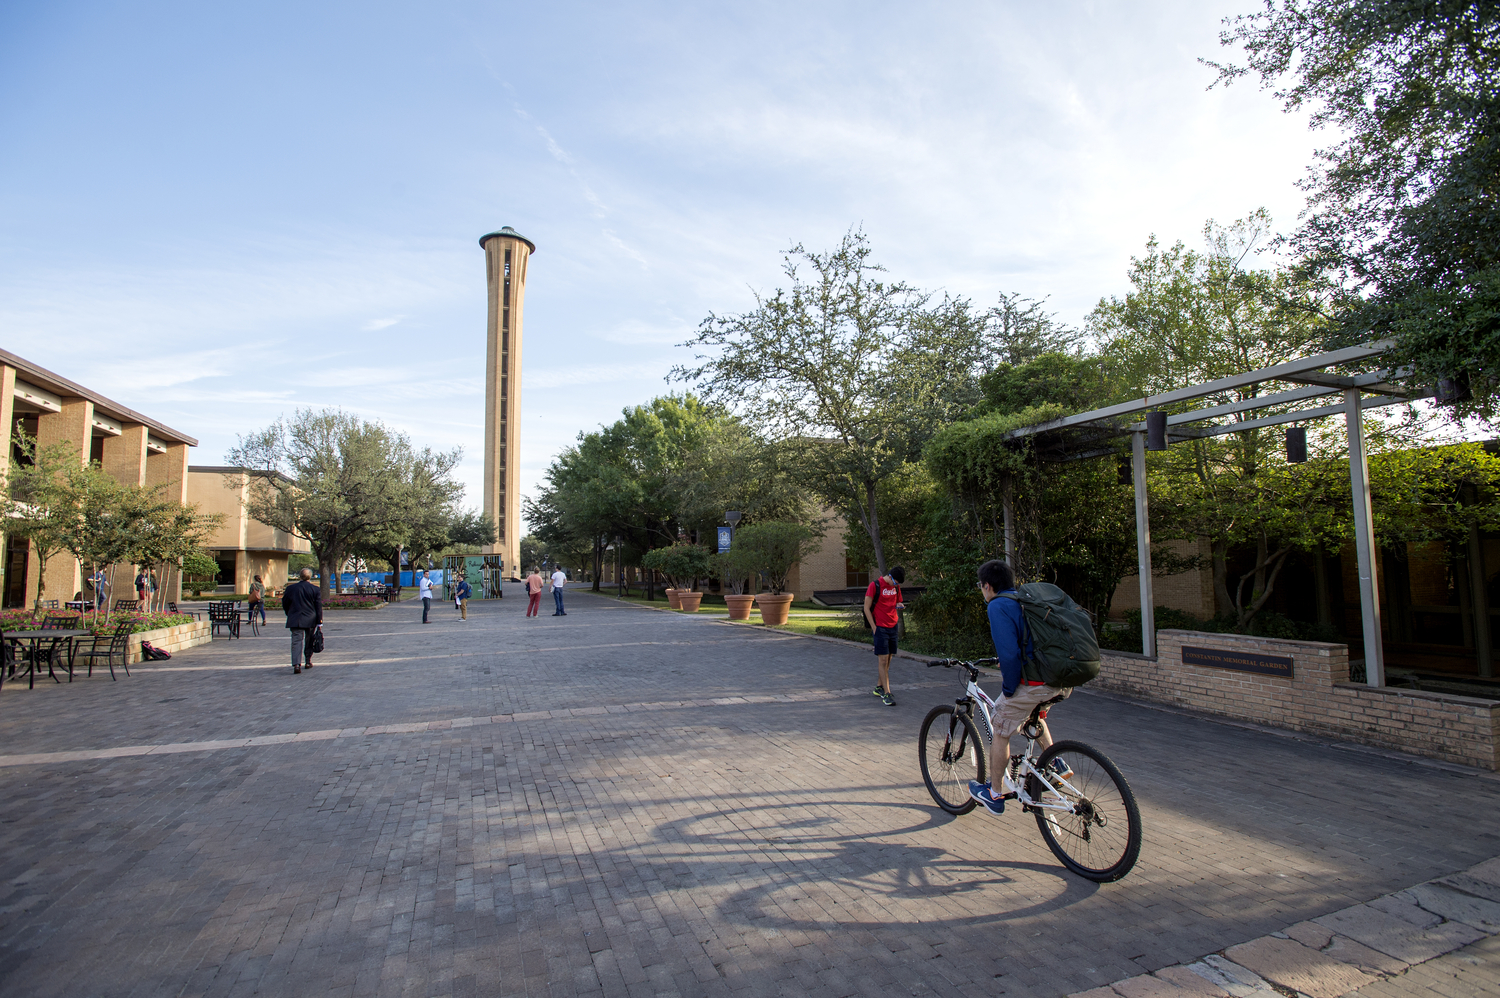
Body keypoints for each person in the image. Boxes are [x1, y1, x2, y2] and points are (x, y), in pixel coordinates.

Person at [968, 559, 1072, 817]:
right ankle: (1055, 762)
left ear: (988, 586)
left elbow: (1010, 654)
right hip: (1060, 679)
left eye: (980, 587)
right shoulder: (1025, 600)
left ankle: (994, 794)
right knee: (1031, 713)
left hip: (1035, 683)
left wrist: (1009, 688)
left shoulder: (998, 605)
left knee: (1000, 724)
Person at [863, 566, 906, 706]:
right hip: (880, 627)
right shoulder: (874, 585)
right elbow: (866, 608)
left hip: (893, 626)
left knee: (888, 659)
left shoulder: (896, 588)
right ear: (890, 577)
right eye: (895, 582)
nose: (896, 584)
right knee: (882, 660)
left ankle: (879, 687)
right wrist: (874, 627)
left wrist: (899, 605)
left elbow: (897, 601)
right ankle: (887, 693)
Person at [282, 567, 322, 675]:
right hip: (310, 619)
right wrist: (319, 621)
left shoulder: (291, 589)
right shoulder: (315, 589)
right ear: (310, 576)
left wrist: (288, 613)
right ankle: (308, 661)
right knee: (309, 640)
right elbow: (318, 606)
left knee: (296, 641)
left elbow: (285, 602)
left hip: (295, 618)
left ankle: (296, 664)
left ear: (300, 576)